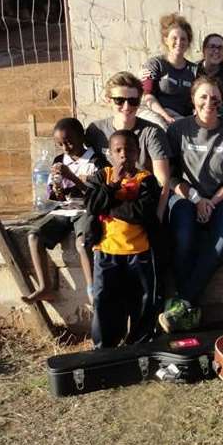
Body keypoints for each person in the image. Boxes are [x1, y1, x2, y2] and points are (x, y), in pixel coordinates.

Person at [161, 76, 223, 332]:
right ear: (193, 99)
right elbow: (171, 175)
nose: (209, 102)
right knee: (184, 236)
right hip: (186, 195)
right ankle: (189, 306)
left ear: (222, 100)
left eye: (214, 97)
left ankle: (183, 302)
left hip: (222, 196)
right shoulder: (177, 130)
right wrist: (197, 199)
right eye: (203, 96)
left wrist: (212, 201)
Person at [84, 131, 159, 348]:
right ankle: (105, 348)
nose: (124, 155)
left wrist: (106, 203)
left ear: (138, 153)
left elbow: (141, 212)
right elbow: (90, 205)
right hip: (107, 251)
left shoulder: (146, 179)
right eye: (118, 150)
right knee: (104, 301)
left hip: (140, 252)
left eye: (129, 150)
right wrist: (113, 185)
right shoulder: (102, 177)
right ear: (110, 153)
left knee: (142, 301)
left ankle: (138, 345)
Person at [23, 118, 107, 305]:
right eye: (60, 144)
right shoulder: (59, 160)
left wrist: (73, 177)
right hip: (65, 209)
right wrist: (57, 188)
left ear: (82, 137)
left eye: (69, 141)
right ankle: (45, 287)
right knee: (34, 235)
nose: (66, 148)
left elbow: (97, 195)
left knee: (82, 244)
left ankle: (93, 290)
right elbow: (55, 196)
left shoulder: (96, 161)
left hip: (87, 209)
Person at [85, 71, 172, 220]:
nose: (127, 106)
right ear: (108, 100)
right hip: (107, 200)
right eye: (119, 100)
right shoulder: (96, 130)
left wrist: (157, 218)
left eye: (133, 101)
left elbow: (162, 181)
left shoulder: (152, 132)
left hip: (140, 204)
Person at [140, 13, 196, 128]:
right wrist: (164, 115)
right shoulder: (155, 64)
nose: (179, 42)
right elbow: (148, 96)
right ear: (166, 40)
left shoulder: (194, 70)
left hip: (178, 116)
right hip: (153, 111)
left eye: (183, 39)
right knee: (163, 128)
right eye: (174, 38)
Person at [196, 33, 223, 123]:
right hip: (198, 116)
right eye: (212, 47)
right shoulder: (194, 70)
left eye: (220, 48)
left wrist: (216, 109)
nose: (216, 51)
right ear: (204, 50)